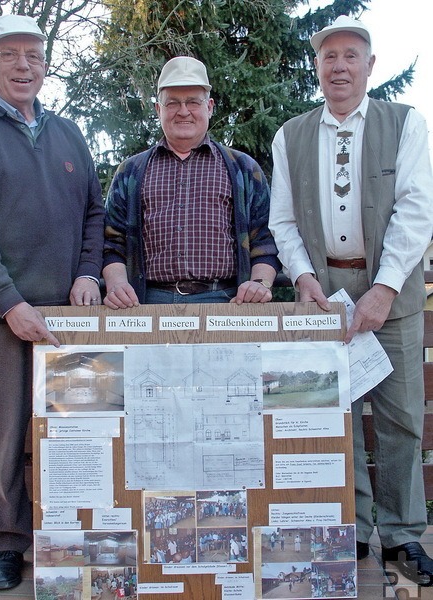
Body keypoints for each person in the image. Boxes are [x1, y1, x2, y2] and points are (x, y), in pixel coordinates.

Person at [269, 14, 433, 586]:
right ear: (317, 67)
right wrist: (303, 279)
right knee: (335, 415)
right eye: (328, 56)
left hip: (393, 296)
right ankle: (356, 529)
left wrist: (385, 288)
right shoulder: (289, 134)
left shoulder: (406, 123)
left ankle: (404, 533)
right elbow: (283, 221)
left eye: (349, 55)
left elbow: (417, 210)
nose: (338, 66)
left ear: (369, 65)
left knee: (400, 417)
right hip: (326, 296)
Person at [0, 14, 104, 590]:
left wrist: (88, 272)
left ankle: (70, 535)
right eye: (10, 55)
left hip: (69, 319)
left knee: (76, 431)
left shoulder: (70, 134)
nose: (24, 65)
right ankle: (8, 545)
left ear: (46, 64)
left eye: (34, 55)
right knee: (4, 434)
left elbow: (95, 213)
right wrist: (6, 301)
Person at [102, 56, 278, 308]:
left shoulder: (243, 169)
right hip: (148, 302)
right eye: (172, 102)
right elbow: (113, 242)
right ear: (158, 109)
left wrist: (259, 284)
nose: (183, 111)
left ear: (209, 106)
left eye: (193, 102)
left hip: (227, 301)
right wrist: (118, 285)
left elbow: (264, 238)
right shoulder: (130, 172)